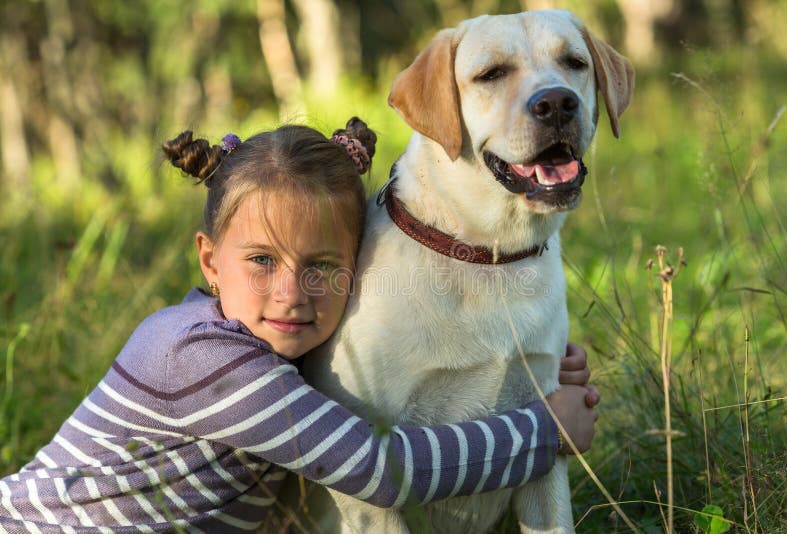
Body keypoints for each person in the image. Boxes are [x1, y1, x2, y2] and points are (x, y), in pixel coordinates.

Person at [0, 117, 598, 532]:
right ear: (210, 261)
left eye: (321, 266)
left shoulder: (279, 359)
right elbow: (376, 468)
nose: (290, 295)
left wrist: (526, 371)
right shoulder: (201, 356)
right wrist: (544, 431)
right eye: (261, 261)